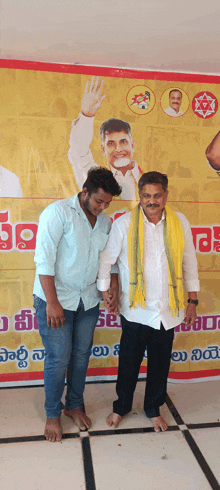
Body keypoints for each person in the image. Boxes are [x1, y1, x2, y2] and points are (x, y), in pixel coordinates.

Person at [97, 171, 199, 432]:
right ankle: (121, 408)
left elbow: (189, 262)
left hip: (167, 310)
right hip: (135, 311)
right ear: (139, 196)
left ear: (166, 195)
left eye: (156, 195)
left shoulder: (180, 222)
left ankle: (153, 409)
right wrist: (105, 291)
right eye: (146, 196)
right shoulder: (124, 224)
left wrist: (192, 300)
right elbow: (106, 260)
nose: (151, 201)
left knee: (160, 365)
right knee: (128, 365)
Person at [33, 167, 121, 442]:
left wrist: (111, 288)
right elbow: (44, 262)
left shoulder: (105, 222)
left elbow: (110, 261)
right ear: (85, 192)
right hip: (56, 300)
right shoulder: (57, 213)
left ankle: (73, 404)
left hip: (88, 301)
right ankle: (52, 414)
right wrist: (52, 303)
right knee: (58, 359)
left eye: (107, 203)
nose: (102, 207)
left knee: (81, 356)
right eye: (98, 201)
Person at [68, 76, 143, 200]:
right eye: (111, 143)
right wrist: (87, 115)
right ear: (103, 149)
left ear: (133, 145)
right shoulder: (94, 178)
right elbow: (78, 149)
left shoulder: (147, 180)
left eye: (123, 142)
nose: (118, 149)